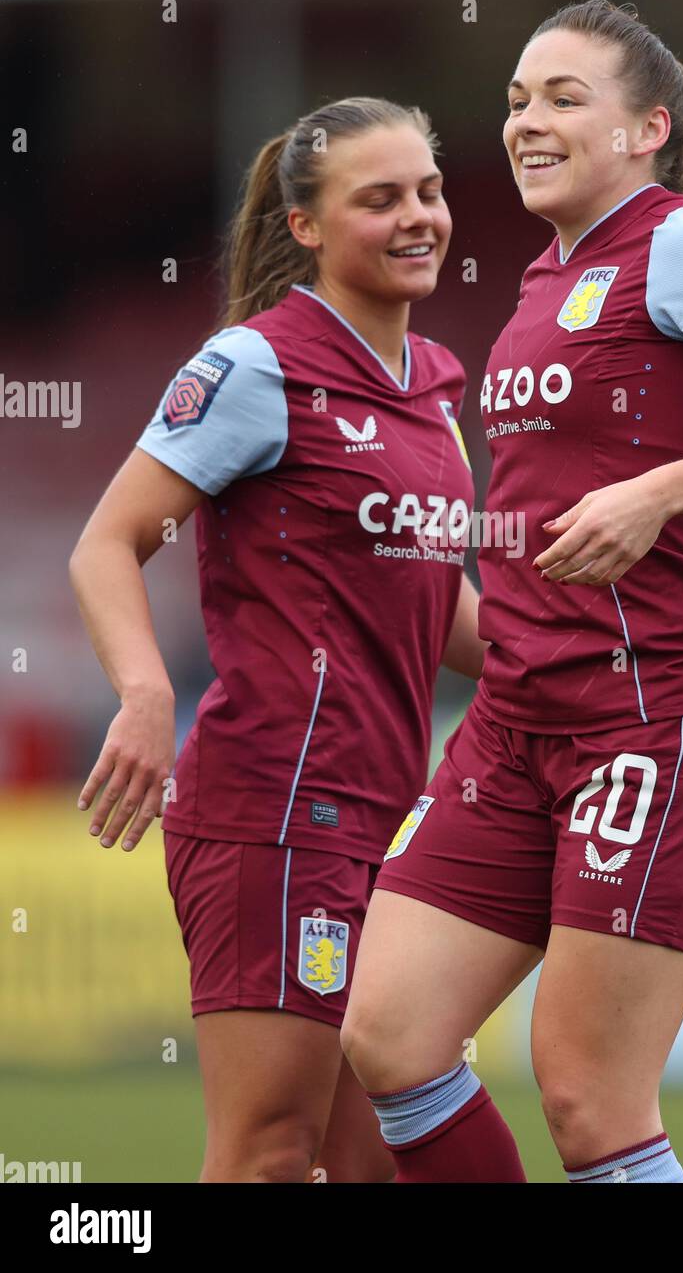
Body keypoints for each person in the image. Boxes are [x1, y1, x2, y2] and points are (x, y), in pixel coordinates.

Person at [341, 0, 683, 1184]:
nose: (525, 122)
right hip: (518, 716)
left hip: (648, 726)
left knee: (586, 1098)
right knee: (386, 1034)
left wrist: (658, 497)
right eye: (515, 103)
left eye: (561, 99)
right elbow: (555, 515)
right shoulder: (545, 280)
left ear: (648, 126)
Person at [68, 97, 481, 1183]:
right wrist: (147, 695)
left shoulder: (435, 389)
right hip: (277, 810)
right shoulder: (255, 369)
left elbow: (449, 612)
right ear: (304, 226)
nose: (416, 219)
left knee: (369, 1166)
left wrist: (656, 662)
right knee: (267, 1154)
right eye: (379, 198)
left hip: (389, 825)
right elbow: (106, 544)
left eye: (428, 193)